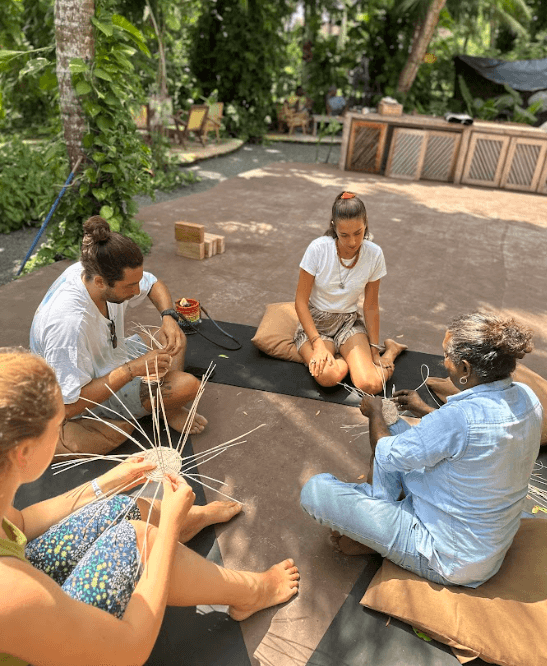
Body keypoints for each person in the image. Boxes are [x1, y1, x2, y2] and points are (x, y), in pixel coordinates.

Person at [0, 348, 300, 666]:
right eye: (58, 425)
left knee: (116, 507)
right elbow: (128, 651)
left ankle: (188, 521)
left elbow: (18, 522)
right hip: (37, 646)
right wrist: (167, 526)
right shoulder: (12, 592)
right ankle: (252, 592)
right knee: (145, 541)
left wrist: (107, 483)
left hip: (23, 605)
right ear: (24, 452)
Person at [301, 313, 543, 588]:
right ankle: (377, 519)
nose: (444, 362)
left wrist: (375, 412)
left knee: (315, 490)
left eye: (447, 356)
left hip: (450, 558)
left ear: (465, 369)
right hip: (484, 543)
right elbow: (471, 435)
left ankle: (374, 527)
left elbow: (385, 452)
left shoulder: (458, 419)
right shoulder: (527, 397)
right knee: (396, 425)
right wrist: (425, 411)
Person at [30, 215, 207, 459]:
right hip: (80, 392)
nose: (137, 291)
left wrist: (168, 317)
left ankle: (164, 408)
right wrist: (133, 370)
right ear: (101, 282)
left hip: (107, 358)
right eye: (129, 287)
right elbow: (67, 407)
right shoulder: (68, 325)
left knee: (174, 340)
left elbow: (154, 284)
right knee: (188, 386)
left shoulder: (92, 271)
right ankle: (165, 408)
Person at [294, 191, 407, 393]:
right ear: (333, 227)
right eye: (344, 234)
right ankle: (348, 360)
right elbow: (300, 302)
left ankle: (390, 351)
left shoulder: (374, 254)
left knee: (370, 384)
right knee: (327, 376)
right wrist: (317, 344)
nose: (353, 241)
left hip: (348, 322)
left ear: (366, 225)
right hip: (316, 324)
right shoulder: (318, 249)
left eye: (358, 232)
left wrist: (373, 349)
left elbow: (371, 305)